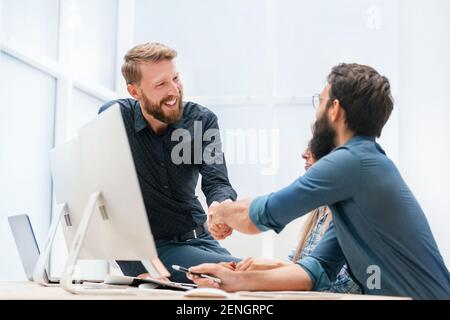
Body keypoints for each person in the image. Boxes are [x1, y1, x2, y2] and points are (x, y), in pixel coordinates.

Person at [190, 63, 450, 299]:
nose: (317, 114)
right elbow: (315, 270)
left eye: (320, 101)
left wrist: (220, 210)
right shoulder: (360, 175)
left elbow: (258, 216)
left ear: (335, 109)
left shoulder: (351, 162)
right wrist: (232, 281)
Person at [98, 42, 240, 282]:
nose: (174, 90)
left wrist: (220, 207)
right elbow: (106, 197)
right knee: (245, 274)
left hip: (200, 239)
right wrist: (138, 269)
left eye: (175, 78)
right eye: (161, 84)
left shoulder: (202, 120)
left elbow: (217, 181)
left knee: (251, 272)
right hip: (152, 249)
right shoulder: (114, 119)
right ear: (135, 92)